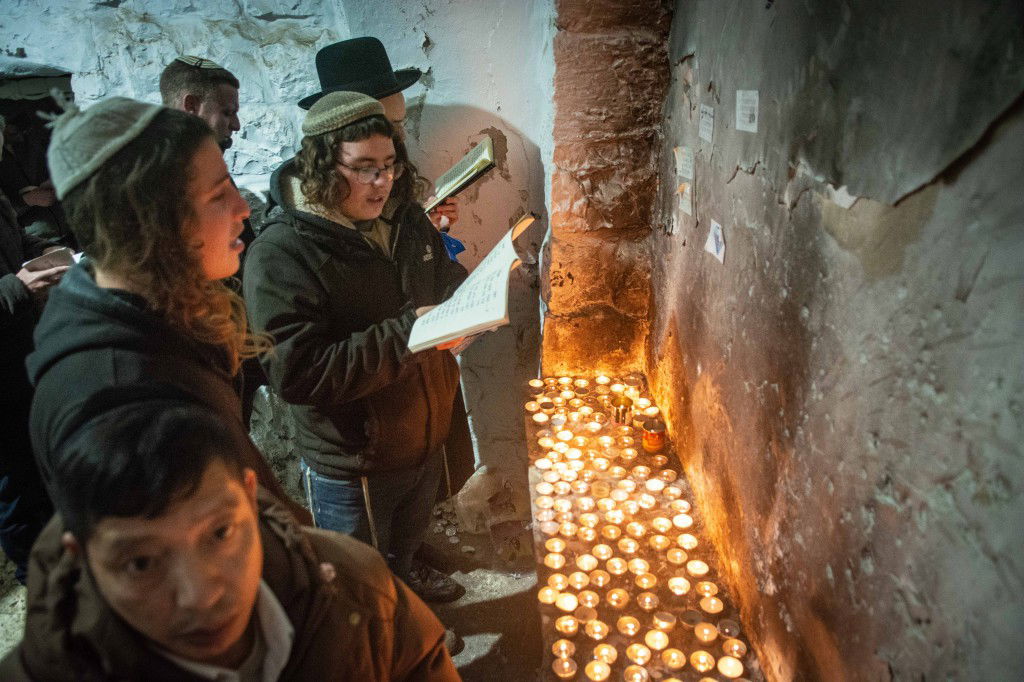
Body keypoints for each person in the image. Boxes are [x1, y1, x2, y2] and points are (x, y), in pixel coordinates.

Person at [0, 395, 460, 680]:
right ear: (81, 559)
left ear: (250, 494)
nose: (201, 595)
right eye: (142, 563)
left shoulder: (355, 587)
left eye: (220, 533)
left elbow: (419, 664)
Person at [26, 95, 306, 522]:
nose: (242, 208)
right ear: (151, 223)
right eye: (218, 193)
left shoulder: (153, 319)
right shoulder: (126, 414)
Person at [243, 92, 467, 602]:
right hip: (355, 458)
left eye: (389, 166)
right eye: (363, 168)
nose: (382, 182)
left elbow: (439, 275)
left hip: (420, 432)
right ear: (323, 165)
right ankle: (384, 641)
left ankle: (407, 590)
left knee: (405, 543)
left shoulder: (403, 217)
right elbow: (298, 373)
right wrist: (410, 335)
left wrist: (466, 302)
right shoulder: (281, 252)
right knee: (356, 583)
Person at [160, 55, 264, 424]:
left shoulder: (205, 165)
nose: (236, 123)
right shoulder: (167, 182)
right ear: (191, 105)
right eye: (227, 112)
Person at [298, 37, 461, 236]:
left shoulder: (395, 172)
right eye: (389, 126)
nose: (401, 137)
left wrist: (429, 229)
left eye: (402, 123)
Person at [0, 113, 66, 583]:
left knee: (41, 473)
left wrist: (41, 247)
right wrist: (15, 287)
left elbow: (11, 242)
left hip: (19, 359)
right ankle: (38, 583)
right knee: (16, 487)